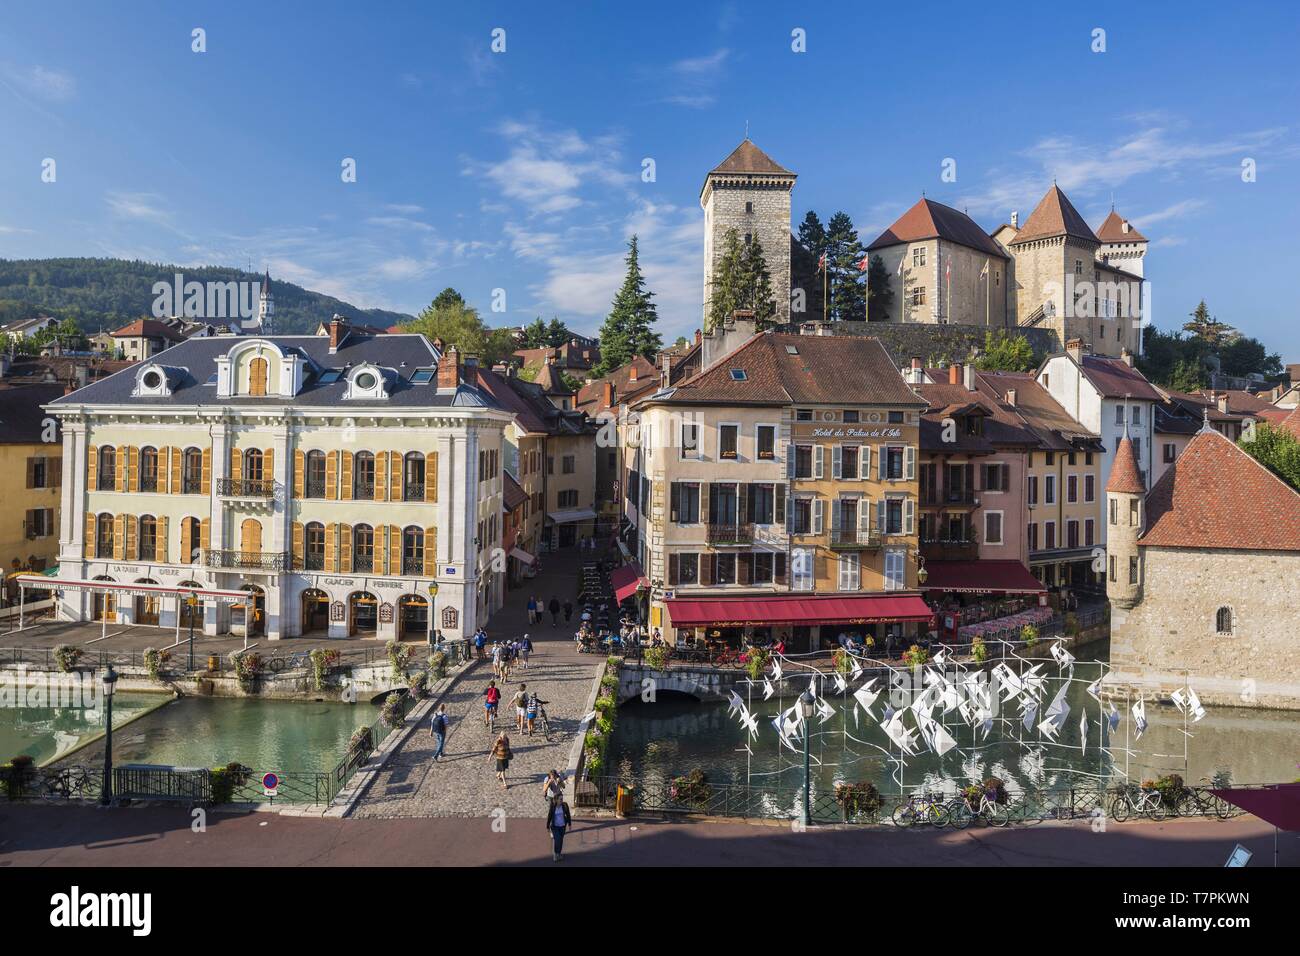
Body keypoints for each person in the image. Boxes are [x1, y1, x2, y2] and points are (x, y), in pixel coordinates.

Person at [546, 797, 572, 862]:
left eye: (562, 799)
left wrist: (569, 824)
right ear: (556, 800)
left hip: (562, 826)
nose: (561, 800)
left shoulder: (564, 805)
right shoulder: (553, 806)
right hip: (555, 826)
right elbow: (549, 816)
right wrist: (547, 826)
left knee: (560, 840)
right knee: (557, 839)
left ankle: (559, 853)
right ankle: (555, 854)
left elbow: (568, 814)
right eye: (560, 799)